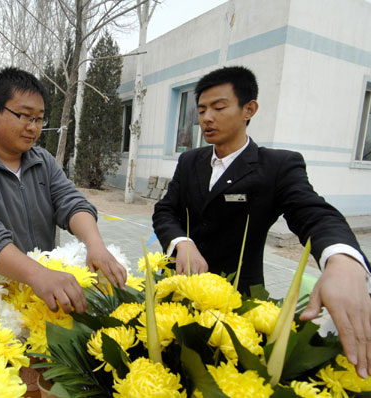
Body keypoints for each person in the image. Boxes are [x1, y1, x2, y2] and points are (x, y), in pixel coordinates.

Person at [153, 66, 371, 378]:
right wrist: (181, 242)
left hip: (240, 305)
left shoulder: (277, 166)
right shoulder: (190, 161)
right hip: (178, 294)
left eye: (219, 107)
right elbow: (165, 211)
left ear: (249, 109)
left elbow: (313, 212)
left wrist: (343, 258)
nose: (206, 118)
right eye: (201, 109)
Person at [0, 67, 126, 314]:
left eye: (39, 119)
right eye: (25, 116)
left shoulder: (43, 161)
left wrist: (96, 246)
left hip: (45, 295)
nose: (33, 127)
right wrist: (37, 274)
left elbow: (70, 202)